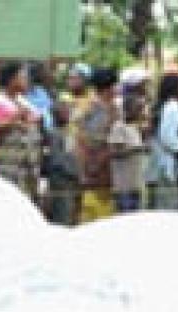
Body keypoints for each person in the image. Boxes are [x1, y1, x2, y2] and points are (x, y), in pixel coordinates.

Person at [0, 64, 43, 203]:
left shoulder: (22, 101)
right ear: (11, 80)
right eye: (22, 77)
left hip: (26, 170)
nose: (26, 80)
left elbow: (35, 119)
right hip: (7, 167)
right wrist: (14, 120)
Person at [73, 68, 119, 224]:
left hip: (108, 166)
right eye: (114, 86)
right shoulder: (90, 107)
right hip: (93, 164)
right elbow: (81, 139)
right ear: (108, 88)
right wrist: (84, 168)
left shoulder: (113, 107)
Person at [148, 73, 178, 211]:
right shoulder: (172, 107)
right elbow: (167, 138)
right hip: (167, 163)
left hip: (161, 161)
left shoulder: (163, 105)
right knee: (169, 205)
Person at [109, 93, 150, 214]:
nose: (140, 111)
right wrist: (137, 149)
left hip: (135, 184)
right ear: (128, 109)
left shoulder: (135, 127)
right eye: (138, 108)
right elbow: (115, 152)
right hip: (123, 186)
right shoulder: (119, 127)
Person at [41, 100, 80, 226]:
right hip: (62, 181)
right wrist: (75, 173)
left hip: (71, 181)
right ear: (56, 115)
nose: (68, 114)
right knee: (63, 216)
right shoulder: (54, 134)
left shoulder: (68, 132)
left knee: (70, 215)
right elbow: (58, 160)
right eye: (65, 112)